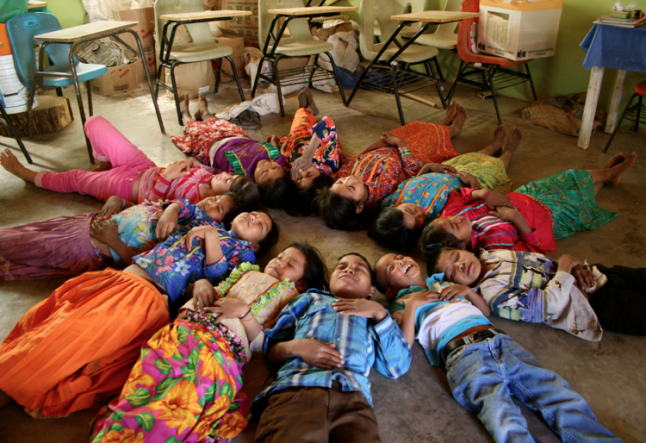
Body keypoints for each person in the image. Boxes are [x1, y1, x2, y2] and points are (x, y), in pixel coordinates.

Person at [0, 211, 279, 418]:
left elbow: (218, 275)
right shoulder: (204, 221)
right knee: (51, 320)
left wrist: (209, 237)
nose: (254, 218)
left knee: (64, 338)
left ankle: (13, 378)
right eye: (252, 213)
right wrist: (185, 217)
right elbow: (179, 208)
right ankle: (16, 374)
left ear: (256, 246)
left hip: (144, 296)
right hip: (116, 279)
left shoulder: (243, 256)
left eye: (261, 224)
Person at [89, 243, 328, 443]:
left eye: (290, 264)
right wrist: (201, 284)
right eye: (279, 256)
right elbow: (210, 289)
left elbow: (263, 345)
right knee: (148, 380)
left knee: (181, 401)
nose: (278, 262)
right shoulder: (245, 272)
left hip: (220, 349)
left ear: (302, 284)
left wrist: (244, 314)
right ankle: (123, 427)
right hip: (183, 330)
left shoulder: (291, 299)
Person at [373, 253, 621, 443]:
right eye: (391, 267)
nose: (400, 260)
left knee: (556, 392)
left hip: (501, 341)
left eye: (399, 257)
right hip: (463, 356)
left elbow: (485, 312)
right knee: (500, 416)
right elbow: (403, 343)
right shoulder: (402, 303)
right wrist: (413, 305)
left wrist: (468, 292)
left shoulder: (441, 283)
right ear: (391, 288)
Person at [251, 253, 412, 442]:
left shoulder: (376, 316)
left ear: (371, 290)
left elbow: (397, 366)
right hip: (297, 389)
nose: (349, 269)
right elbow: (270, 351)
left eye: (359, 269)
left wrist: (379, 312)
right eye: (341, 267)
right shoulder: (309, 299)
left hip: (354, 399)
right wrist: (296, 346)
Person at [0, 116, 261, 206]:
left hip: (125, 186)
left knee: (75, 178)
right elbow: (196, 165)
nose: (225, 174)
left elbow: (151, 210)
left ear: (228, 199)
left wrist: (167, 178)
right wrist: (186, 166)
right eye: (232, 174)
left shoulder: (196, 204)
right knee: (94, 123)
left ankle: (26, 174)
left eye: (230, 181)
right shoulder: (211, 175)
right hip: (142, 165)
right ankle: (104, 165)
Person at [419, 152, 638, 255]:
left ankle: (607, 174)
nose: (457, 218)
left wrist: (482, 193)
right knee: (577, 200)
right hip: (548, 218)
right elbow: (535, 250)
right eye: (456, 226)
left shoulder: (453, 214)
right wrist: (515, 218)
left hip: (524, 195)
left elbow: (459, 196)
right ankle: (610, 173)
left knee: (569, 177)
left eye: (449, 220)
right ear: (463, 247)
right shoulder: (494, 246)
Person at [0, 194, 246, 281]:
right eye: (216, 197)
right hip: (82, 222)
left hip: (88, 245)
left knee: (17, 246)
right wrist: (120, 202)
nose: (210, 201)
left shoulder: (183, 236)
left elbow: (144, 264)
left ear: (217, 224)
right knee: (21, 234)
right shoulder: (178, 211)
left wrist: (113, 240)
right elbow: (140, 209)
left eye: (218, 207)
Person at [312, 103, 469, 230]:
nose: (349, 180)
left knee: (416, 126)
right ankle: (453, 129)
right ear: (359, 207)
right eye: (351, 188)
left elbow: (359, 156)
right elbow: (412, 170)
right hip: (408, 151)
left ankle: (441, 126)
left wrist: (380, 142)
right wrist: (400, 144)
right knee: (427, 137)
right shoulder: (384, 190)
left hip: (388, 145)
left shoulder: (342, 176)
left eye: (341, 182)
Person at [368, 125, 521, 249]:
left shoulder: (392, 200)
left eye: (409, 210)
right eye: (417, 220)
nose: (418, 212)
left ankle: (494, 146)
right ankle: (509, 152)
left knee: (472, 156)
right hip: (471, 181)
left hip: (448, 169)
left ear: (392, 207)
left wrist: (428, 167)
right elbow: (469, 204)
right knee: (494, 165)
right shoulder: (435, 220)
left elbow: (413, 181)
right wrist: (473, 182)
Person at [172, 94, 298, 208]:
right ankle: (204, 112)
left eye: (264, 172)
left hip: (211, 146)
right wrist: (274, 143)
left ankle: (185, 114)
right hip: (235, 135)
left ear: (256, 186)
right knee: (215, 121)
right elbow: (278, 153)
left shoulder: (240, 178)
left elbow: (216, 174)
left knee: (194, 128)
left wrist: (198, 165)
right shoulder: (278, 162)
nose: (268, 165)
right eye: (275, 168)